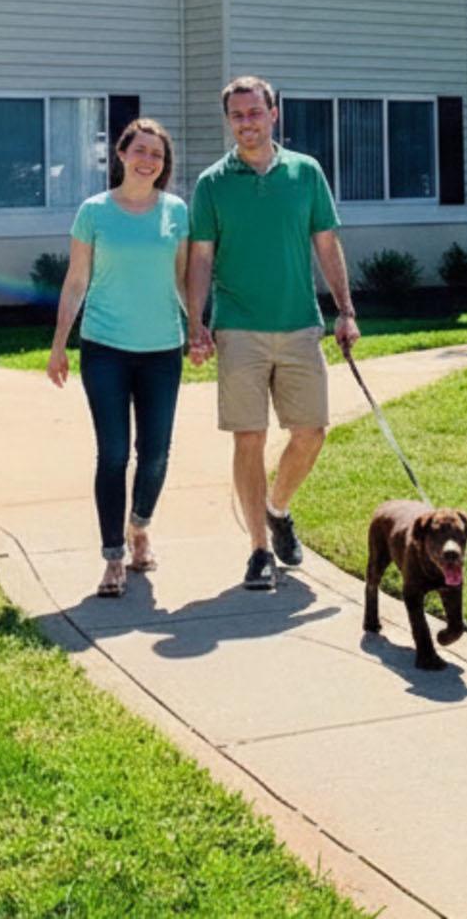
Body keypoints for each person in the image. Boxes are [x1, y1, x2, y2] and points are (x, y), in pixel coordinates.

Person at [185, 76, 360, 590]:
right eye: (237, 115)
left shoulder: (305, 173)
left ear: (273, 114)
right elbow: (200, 259)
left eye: (255, 112)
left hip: (300, 323)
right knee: (249, 437)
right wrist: (196, 323)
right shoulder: (212, 184)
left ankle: (277, 509)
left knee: (310, 434)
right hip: (238, 328)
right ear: (229, 121)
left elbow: (326, 246)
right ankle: (259, 549)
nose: (247, 123)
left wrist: (345, 310)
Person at [47, 117, 189, 599]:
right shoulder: (94, 212)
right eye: (141, 150)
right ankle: (113, 557)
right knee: (112, 454)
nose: (149, 160)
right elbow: (75, 280)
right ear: (122, 155)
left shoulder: (176, 212)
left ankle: (140, 526)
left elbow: (183, 279)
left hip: (162, 350)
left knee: (155, 454)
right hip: (105, 347)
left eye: (158, 154)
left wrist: (200, 328)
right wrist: (59, 344)